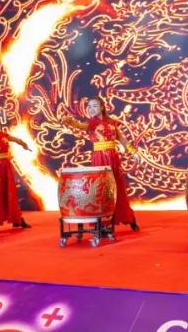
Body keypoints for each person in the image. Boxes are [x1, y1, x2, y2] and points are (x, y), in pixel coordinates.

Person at [60, 97, 139, 231]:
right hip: (99, 158)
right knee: (102, 190)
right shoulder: (91, 124)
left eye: (94, 106)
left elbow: (122, 139)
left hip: (113, 158)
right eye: (89, 107)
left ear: (102, 107)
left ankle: (129, 217)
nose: (91, 109)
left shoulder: (112, 122)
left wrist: (133, 152)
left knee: (118, 188)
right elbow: (78, 125)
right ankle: (104, 223)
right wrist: (69, 121)